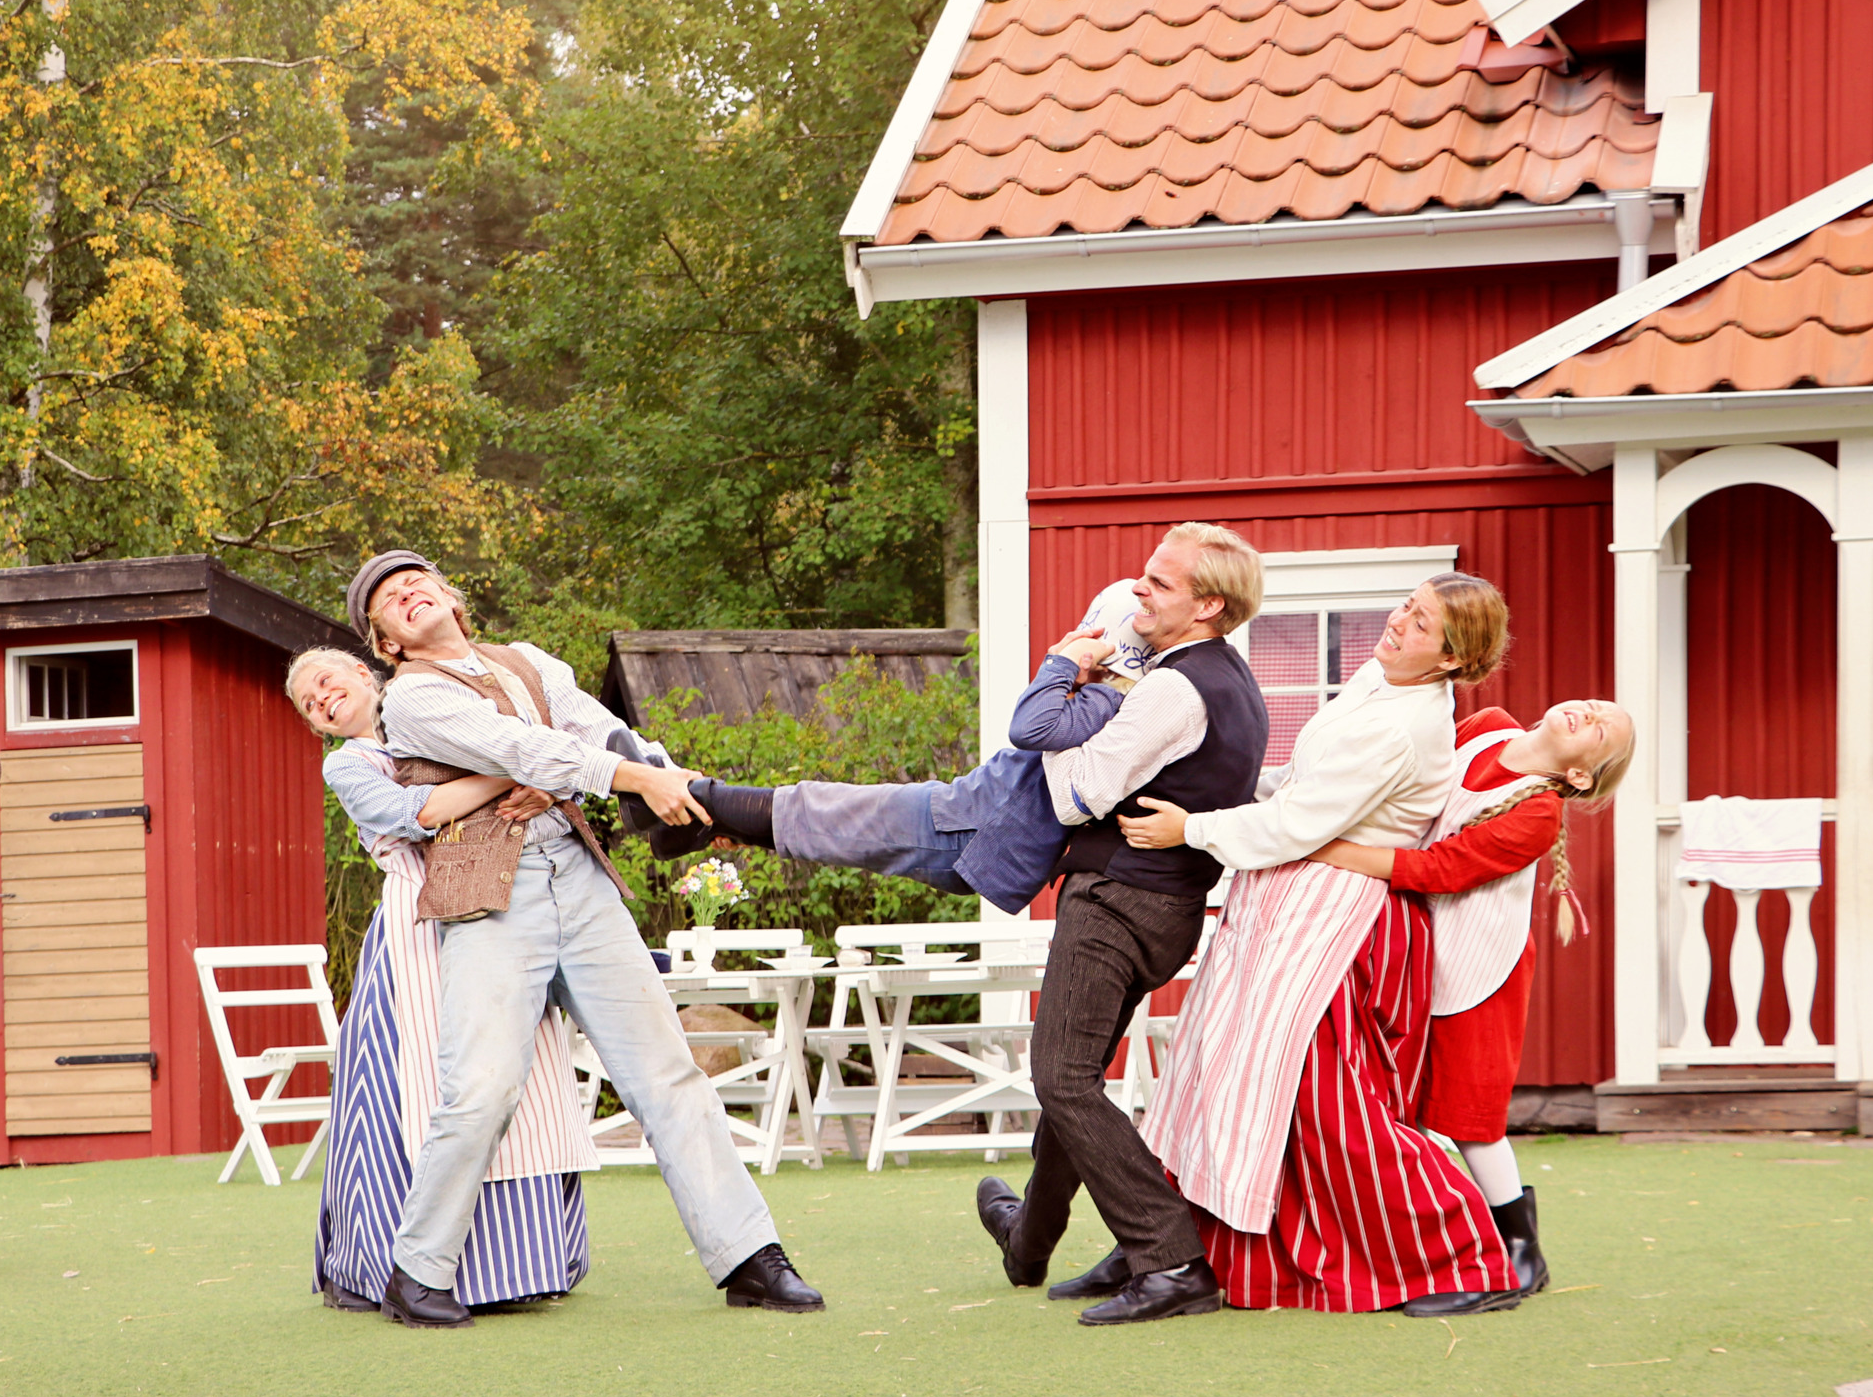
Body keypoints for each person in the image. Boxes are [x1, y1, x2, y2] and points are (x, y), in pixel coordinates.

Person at [347, 549, 822, 1329]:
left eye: (415, 579)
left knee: (667, 1075)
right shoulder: (412, 700)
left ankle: (748, 1257)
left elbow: (609, 736)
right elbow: (527, 752)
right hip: (493, 893)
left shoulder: (527, 661)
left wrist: (694, 802)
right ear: (386, 643)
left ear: (449, 596)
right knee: (483, 1088)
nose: (403, 591)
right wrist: (616, 778)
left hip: (580, 879)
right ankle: (416, 1268)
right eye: (385, 599)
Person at [1126, 574, 1522, 1315]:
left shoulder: (1404, 725)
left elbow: (1301, 823)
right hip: (1292, 899)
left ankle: (1467, 1258)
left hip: (1336, 918)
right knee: (1250, 1088)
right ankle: (1192, 1254)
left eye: (1422, 624)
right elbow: (1296, 783)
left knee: (1331, 1103)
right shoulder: (1377, 683)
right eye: (1408, 606)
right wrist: (1233, 802)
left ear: (1447, 659)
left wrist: (1194, 829)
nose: (1399, 623)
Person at [969, 524, 1272, 1327]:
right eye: (1145, 576)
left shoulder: (1175, 689)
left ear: (1209, 606)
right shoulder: (1233, 683)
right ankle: (1028, 1237)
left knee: (1061, 1078)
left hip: (1118, 901)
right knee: (1079, 1074)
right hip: (1164, 906)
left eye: (1159, 584)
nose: (1139, 591)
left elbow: (1074, 797)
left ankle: (1171, 1260)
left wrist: (1076, 699)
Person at [286, 647, 598, 1313]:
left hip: (501, 910)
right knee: (413, 1089)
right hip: (416, 931)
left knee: (520, 1081)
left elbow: (548, 761)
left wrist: (528, 770)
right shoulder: (348, 764)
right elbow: (421, 814)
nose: (320, 699)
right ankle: (399, 1262)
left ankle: (520, 1265)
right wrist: (511, 767)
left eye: (324, 682)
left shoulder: (442, 713)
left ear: (365, 676)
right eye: (309, 705)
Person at [1304, 696, 1635, 1313]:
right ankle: (1432, 1244)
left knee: (1468, 1118)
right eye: (1591, 705)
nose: (1587, 714)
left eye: (1600, 728)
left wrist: (1323, 848)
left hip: (1478, 969)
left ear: (1582, 775)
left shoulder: (1538, 813)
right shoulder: (1486, 728)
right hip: (1414, 952)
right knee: (1404, 1108)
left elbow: (1438, 868)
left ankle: (1518, 1250)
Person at [675, 578, 1175, 915]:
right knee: (827, 819)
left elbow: (1028, 728)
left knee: (821, 809)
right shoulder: (1114, 701)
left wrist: (1061, 661)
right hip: (966, 816)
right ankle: (700, 818)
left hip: (966, 824)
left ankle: (674, 797)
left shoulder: (1108, 701)